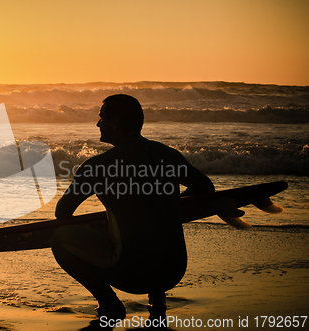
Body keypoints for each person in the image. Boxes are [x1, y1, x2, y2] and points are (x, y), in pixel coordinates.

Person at [51, 94, 214, 322]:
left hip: (132, 273)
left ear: (115, 122)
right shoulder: (169, 155)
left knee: (60, 238)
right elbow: (206, 187)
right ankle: (158, 301)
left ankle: (109, 303)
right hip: (174, 269)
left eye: (101, 118)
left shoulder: (97, 166)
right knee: (151, 219)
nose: (98, 124)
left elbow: (63, 212)